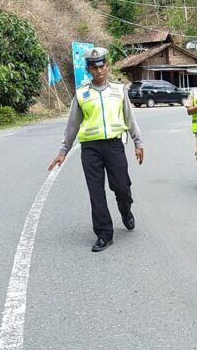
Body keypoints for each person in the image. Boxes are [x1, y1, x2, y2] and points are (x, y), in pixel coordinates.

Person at [47, 47, 144, 252]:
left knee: (122, 187)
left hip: (114, 145)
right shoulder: (82, 94)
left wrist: (138, 142)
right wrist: (63, 152)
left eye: (102, 66)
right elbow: (72, 125)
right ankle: (104, 234)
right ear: (89, 70)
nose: (99, 71)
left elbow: (129, 118)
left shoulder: (119, 90)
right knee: (95, 191)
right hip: (90, 149)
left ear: (107, 66)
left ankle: (125, 210)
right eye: (94, 67)